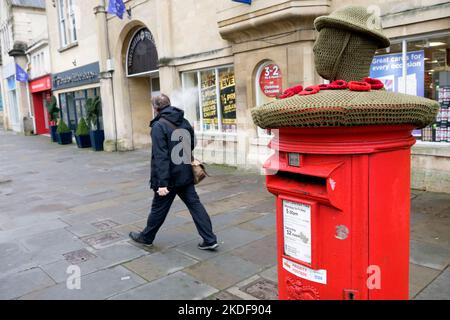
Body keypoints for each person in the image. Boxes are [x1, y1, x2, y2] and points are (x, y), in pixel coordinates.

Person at [129, 94, 218, 250]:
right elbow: (192, 143)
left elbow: (160, 156)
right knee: (195, 206)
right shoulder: (183, 121)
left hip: (168, 178)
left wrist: (162, 183)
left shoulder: (159, 126)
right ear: (169, 104)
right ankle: (210, 240)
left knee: (158, 208)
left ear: (155, 108)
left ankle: (146, 237)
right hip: (185, 173)